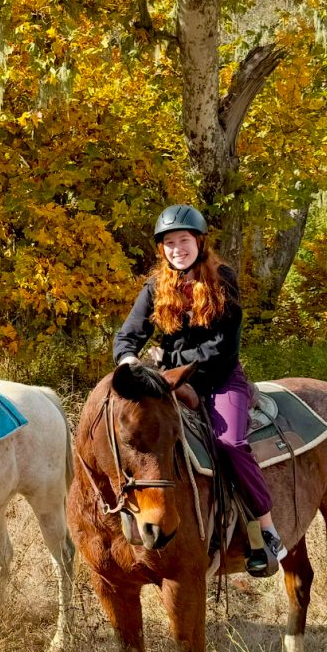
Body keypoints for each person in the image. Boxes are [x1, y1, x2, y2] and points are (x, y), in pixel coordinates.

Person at [112, 205, 286, 577]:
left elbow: (222, 348)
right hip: (170, 382)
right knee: (138, 436)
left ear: (199, 242)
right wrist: (128, 359)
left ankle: (266, 531)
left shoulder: (222, 279)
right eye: (170, 243)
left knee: (230, 444)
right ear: (163, 249)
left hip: (219, 379)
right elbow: (128, 335)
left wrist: (169, 355)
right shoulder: (155, 286)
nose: (177, 249)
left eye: (184, 241)